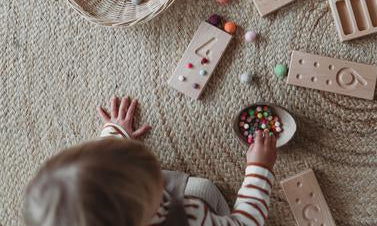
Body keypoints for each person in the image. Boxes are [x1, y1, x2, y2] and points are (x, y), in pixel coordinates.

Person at [23, 96, 277, 226]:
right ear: (155, 208)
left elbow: (100, 164)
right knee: (202, 190)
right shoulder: (187, 216)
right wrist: (259, 169)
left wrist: (115, 132)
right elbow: (245, 224)